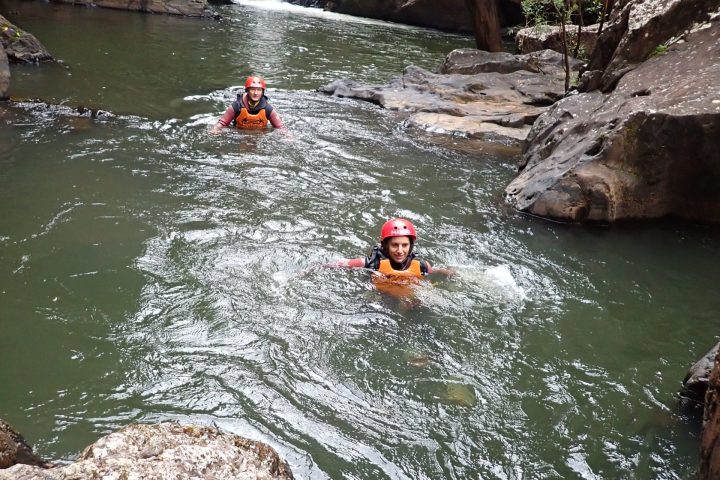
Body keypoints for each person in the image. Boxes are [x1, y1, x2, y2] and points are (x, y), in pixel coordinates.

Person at [331, 218, 453, 281]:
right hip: (381, 298)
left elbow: (434, 272)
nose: (400, 250)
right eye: (395, 245)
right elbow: (340, 264)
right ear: (385, 245)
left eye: (404, 245)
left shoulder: (422, 266)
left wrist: (446, 272)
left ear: (411, 246)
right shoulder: (372, 263)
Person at [209, 75, 285, 134]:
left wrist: (287, 136)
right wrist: (214, 130)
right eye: (252, 89)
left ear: (262, 92)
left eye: (259, 90)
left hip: (260, 136)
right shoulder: (236, 107)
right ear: (247, 91)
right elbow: (222, 123)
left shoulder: (268, 109)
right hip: (239, 134)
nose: (256, 93)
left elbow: (280, 127)